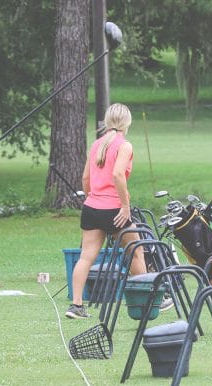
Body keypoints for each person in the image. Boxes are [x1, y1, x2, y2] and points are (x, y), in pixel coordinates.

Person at [66, 103, 148, 319]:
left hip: (91, 208)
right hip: (114, 209)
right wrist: (125, 206)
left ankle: (76, 305)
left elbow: (85, 178)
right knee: (136, 251)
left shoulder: (97, 145)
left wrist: (93, 197)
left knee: (86, 258)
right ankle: (149, 296)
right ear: (127, 122)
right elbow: (118, 175)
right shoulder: (125, 145)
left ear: (108, 120)